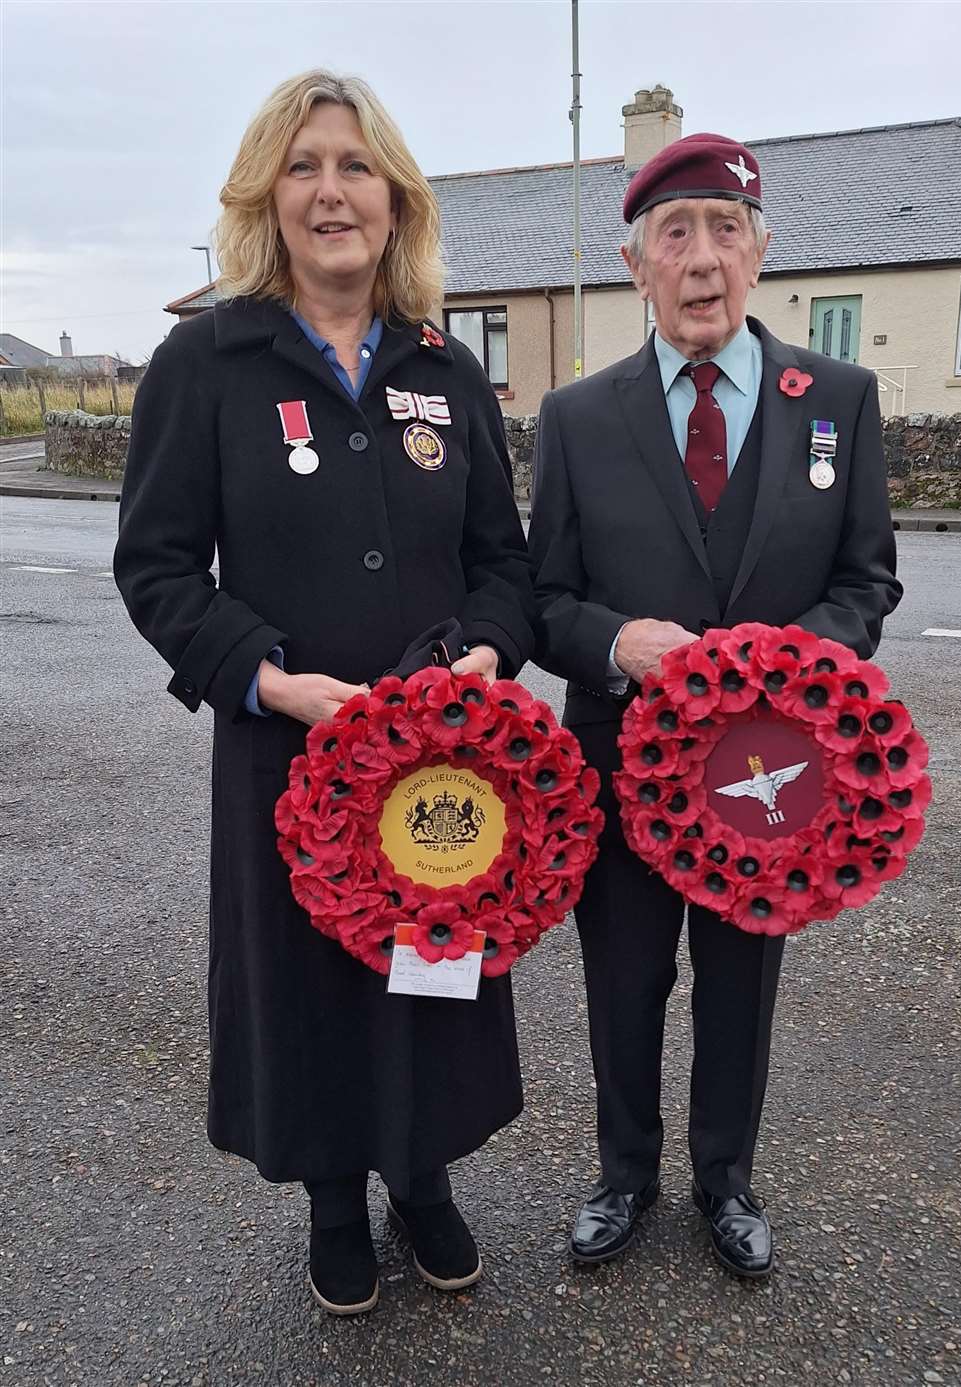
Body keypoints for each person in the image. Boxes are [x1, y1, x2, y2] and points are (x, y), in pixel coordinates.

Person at [114, 70, 534, 1315]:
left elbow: (502, 563)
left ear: (395, 202)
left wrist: (489, 658)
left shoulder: (444, 370)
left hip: (441, 758)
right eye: (304, 166)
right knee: (313, 977)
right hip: (286, 747)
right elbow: (156, 566)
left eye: (355, 166)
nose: (331, 190)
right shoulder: (206, 364)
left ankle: (425, 1173)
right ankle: (336, 1200)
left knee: (431, 958)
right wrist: (273, 682)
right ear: (268, 196)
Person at [528, 133, 901, 1278]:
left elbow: (867, 581)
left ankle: (724, 1179)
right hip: (621, 766)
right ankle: (625, 1172)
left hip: (770, 774)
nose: (702, 260)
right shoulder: (579, 415)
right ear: (637, 265)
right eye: (674, 236)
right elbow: (545, 602)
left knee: (742, 981)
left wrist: (787, 662)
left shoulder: (837, 396)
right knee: (626, 978)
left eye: (724, 232)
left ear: (762, 252)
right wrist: (615, 642)